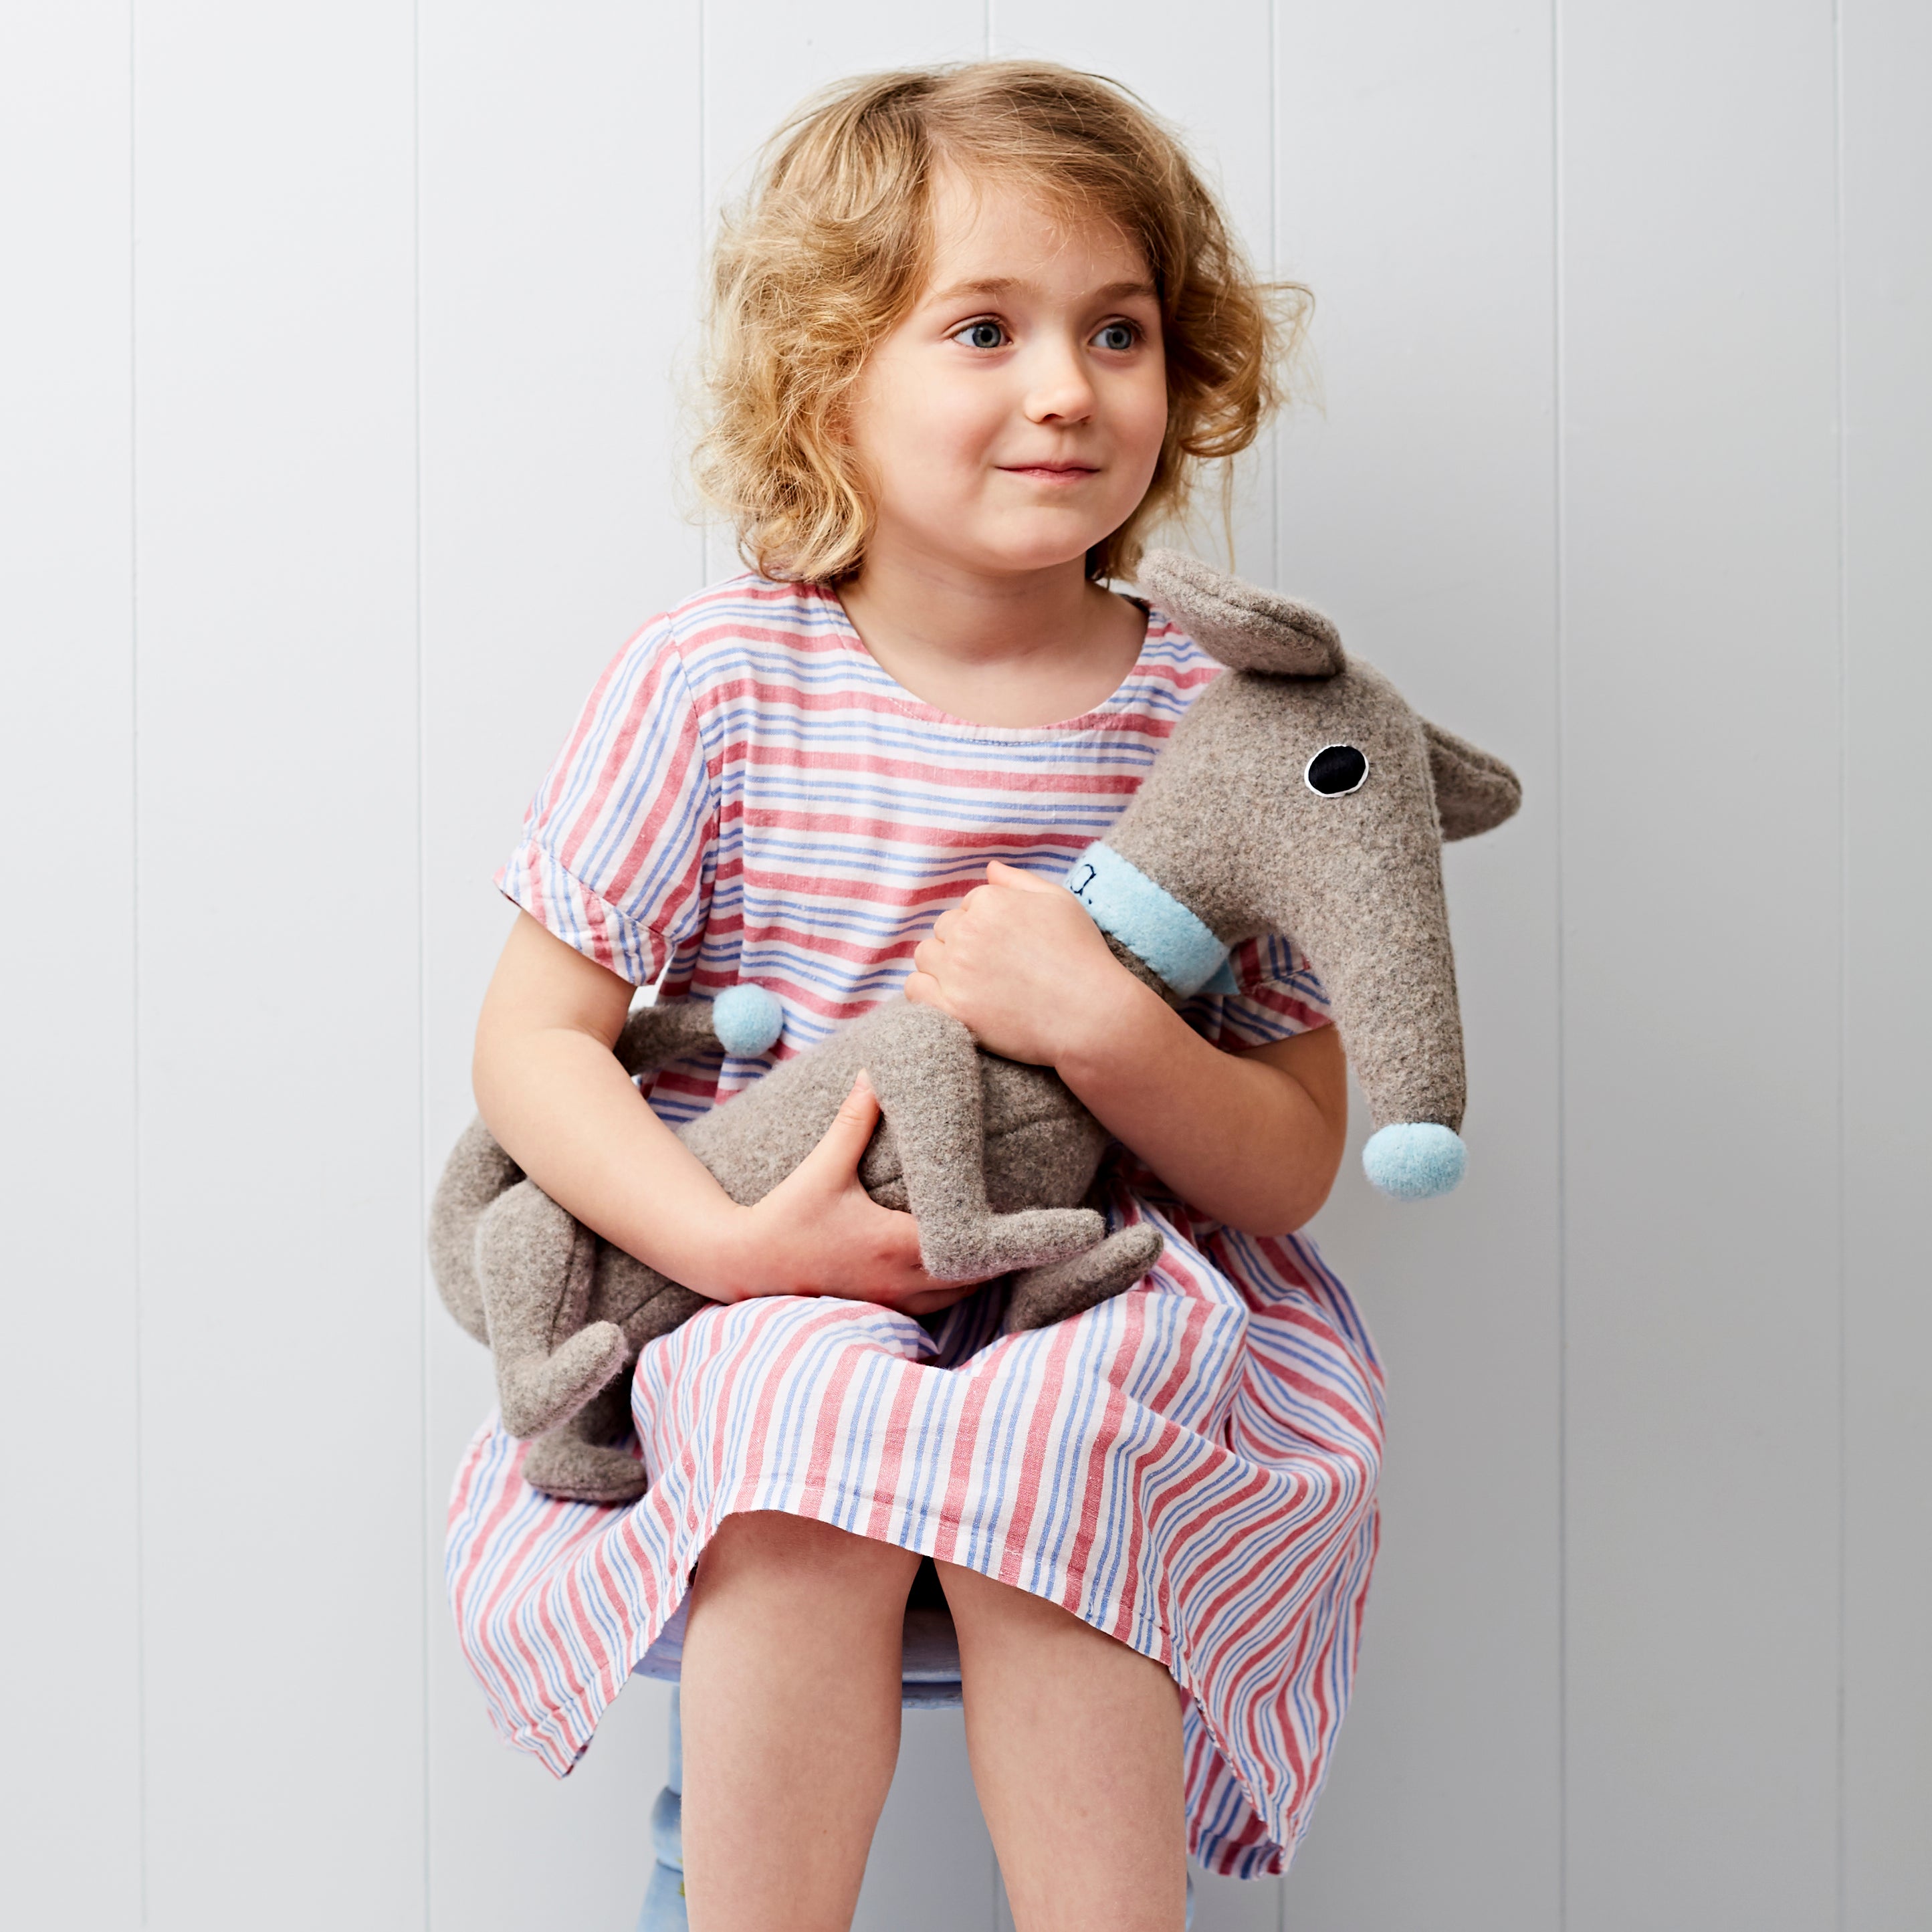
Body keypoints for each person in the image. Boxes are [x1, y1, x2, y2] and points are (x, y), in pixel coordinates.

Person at [449, 61, 1383, 1932]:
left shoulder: (1212, 727)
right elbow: (529, 1047)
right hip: (764, 1268)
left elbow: (1287, 1161)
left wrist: (1105, 1027)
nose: (1066, 385)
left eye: (1116, 328)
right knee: (794, 1426)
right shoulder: (715, 681)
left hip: (1094, 1283)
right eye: (985, 327)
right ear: (827, 386)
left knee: (1073, 1424)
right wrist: (719, 1244)